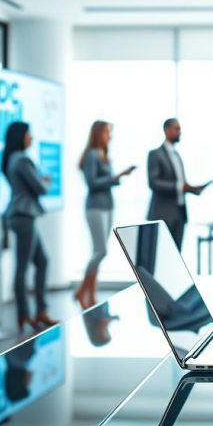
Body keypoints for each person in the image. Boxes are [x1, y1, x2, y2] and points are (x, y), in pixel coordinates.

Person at [2, 121, 58, 333]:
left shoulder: (11, 159)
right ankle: (25, 314)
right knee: (22, 267)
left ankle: (39, 311)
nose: (31, 138)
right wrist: (46, 181)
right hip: (24, 216)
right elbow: (40, 188)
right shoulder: (22, 159)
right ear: (20, 136)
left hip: (20, 215)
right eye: (29, 134)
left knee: (41, 261)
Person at [75, 121, 134, 310]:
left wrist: (118, 178)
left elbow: (105, 182)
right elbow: (92, 183)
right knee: (101, 251)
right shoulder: (92, 155)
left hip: (107, 206)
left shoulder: (104, 155)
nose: (110, 135)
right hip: (95, 207)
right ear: (98, 133)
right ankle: (81, 290)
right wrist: (115, 178)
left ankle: (91, 294)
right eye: (107, 132)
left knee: (98, 252)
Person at [147, 118, 209, 249]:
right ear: (167, 130)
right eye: (177, 128)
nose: (179, 132)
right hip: (163, 214)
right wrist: (179, 187)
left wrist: (192, 189)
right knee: (161, 253)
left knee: (176, 254)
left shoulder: (177, 156)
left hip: (180, 213)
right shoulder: (155, 154)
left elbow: (180, 183)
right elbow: (153, 183)